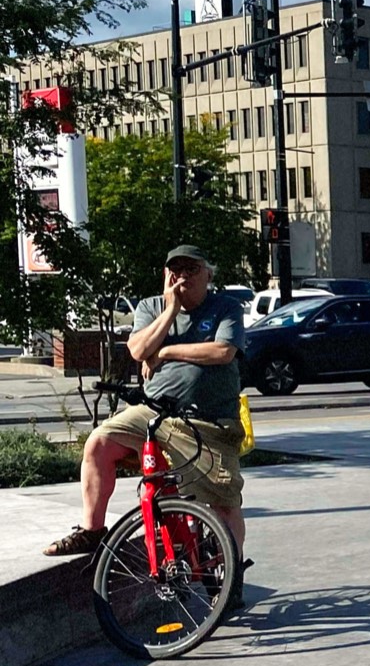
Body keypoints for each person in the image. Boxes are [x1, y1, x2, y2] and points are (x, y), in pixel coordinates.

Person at [45, 247, 249, 582]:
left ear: (208, 274)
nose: (182, 276)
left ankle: (232, 576)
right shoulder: (150, 307)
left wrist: (166, 351)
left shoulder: (226, 307)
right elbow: (138, 350)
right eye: (175, 269)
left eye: (191, 269)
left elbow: (223, 351)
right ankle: (92, 530)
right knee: (98, 442)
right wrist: (170, 310)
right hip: (153, 413)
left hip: (209, 420)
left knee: (224, 502)